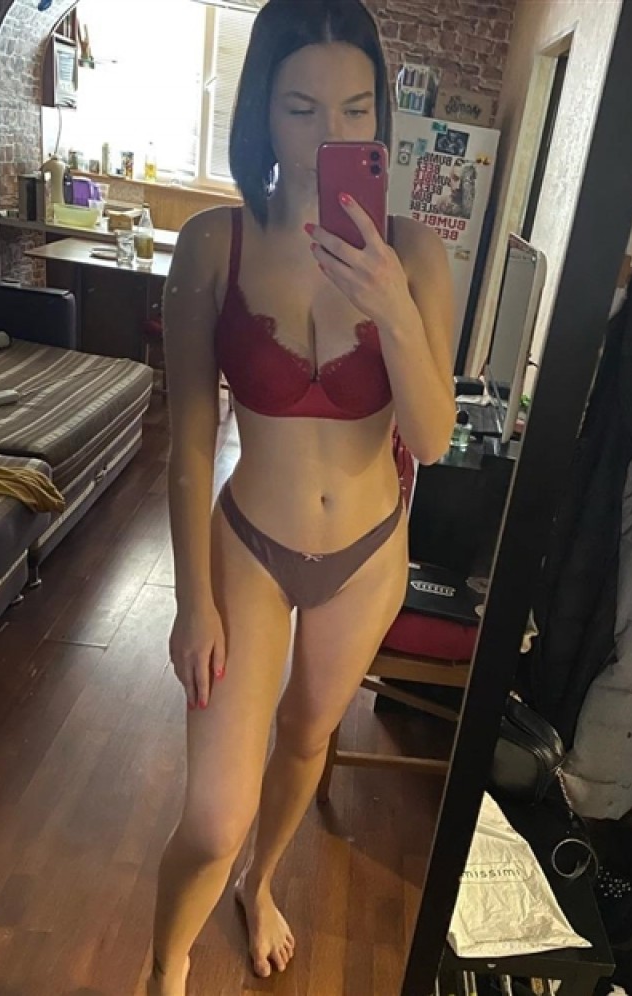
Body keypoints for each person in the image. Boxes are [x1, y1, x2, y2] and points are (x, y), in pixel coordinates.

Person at [147, 0, 455, 992]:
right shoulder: (214, 244)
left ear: (380, 120)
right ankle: (163, 969)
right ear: (260, 113)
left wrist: (392, 310)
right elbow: (190, 439)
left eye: (356, 110)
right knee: (210, 815)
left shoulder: (416, 255)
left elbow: (433, 438)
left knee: (308, 737)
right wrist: (192, 599)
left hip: (366, 557)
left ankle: (262, 881)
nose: (332, 134)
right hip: (248, 548)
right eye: (301, 109)